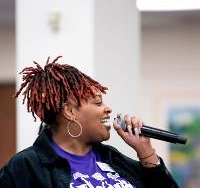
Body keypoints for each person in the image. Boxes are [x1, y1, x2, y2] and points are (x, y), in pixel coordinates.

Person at [0, 56, 179, 188]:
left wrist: (145, 152)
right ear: (70, 112)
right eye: (98, 102)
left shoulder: (112, 158)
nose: (108, 109)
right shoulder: (27, 166)